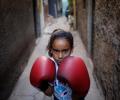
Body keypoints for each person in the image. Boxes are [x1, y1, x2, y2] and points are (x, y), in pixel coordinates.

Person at [30, 29, 90, 100]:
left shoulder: (77, 67)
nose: (60, 56)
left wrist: (80, 92)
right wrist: (44, 86)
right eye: (56, 50)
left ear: (71, 49)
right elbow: (49, 93)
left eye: (65, 51)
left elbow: (78, 96)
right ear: (51, 49)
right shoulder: (49, 67)